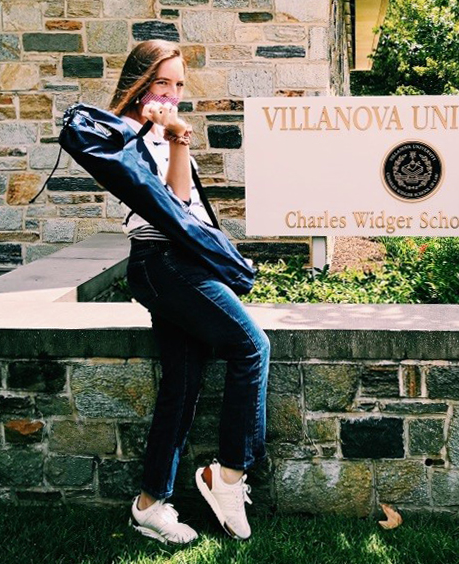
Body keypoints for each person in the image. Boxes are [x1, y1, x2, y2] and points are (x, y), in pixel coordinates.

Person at [107, 40, 270, 545]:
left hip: (179, 263)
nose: (172, 93)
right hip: (163, 262)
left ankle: (149, 505)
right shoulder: (124, 134)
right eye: (162, 82)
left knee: (182, 383)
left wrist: (175, 136)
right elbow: (173, 207)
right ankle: (228, 475)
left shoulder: (162, 131)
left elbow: (186, 204)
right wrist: (175, 138)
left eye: (179, 84)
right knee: (251, 347)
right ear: (139, 84)